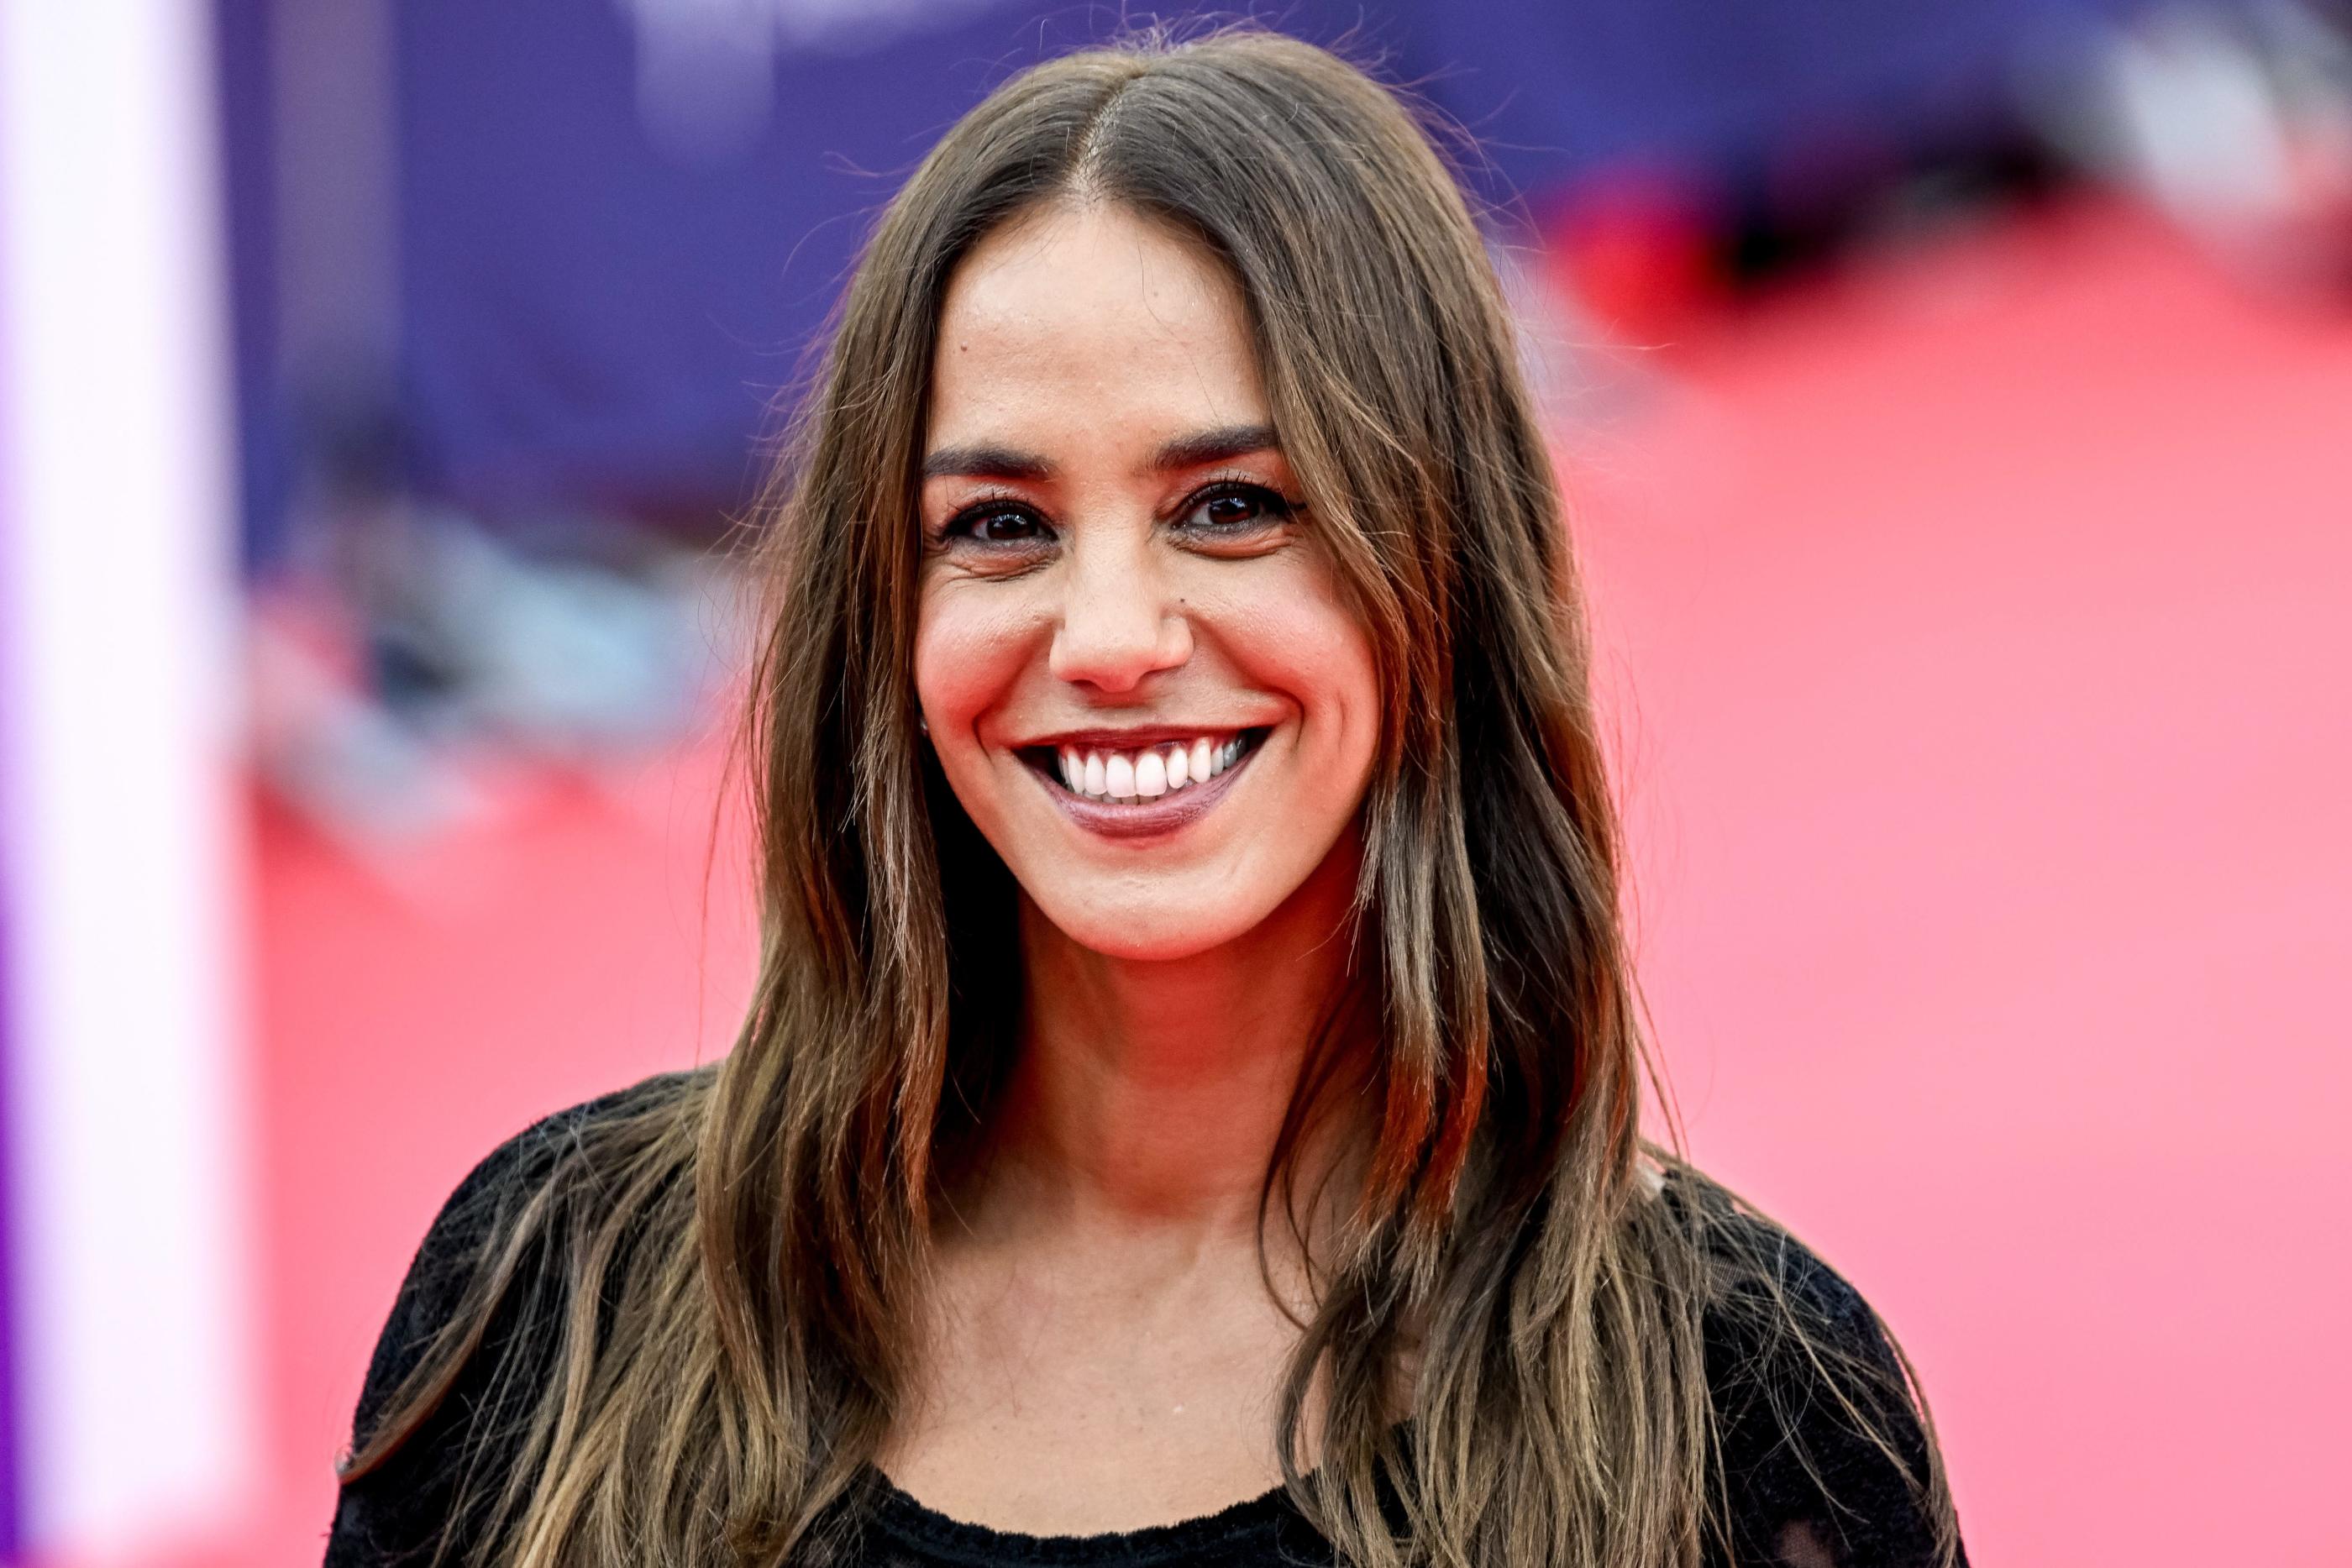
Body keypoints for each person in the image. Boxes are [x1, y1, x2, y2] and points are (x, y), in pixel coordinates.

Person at [327, 29, 1964, 1568]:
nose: (1107, 639)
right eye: (997, 527)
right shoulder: (557, 1299)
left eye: (1233, 506)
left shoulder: (1743, 1420)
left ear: (1446, 576)